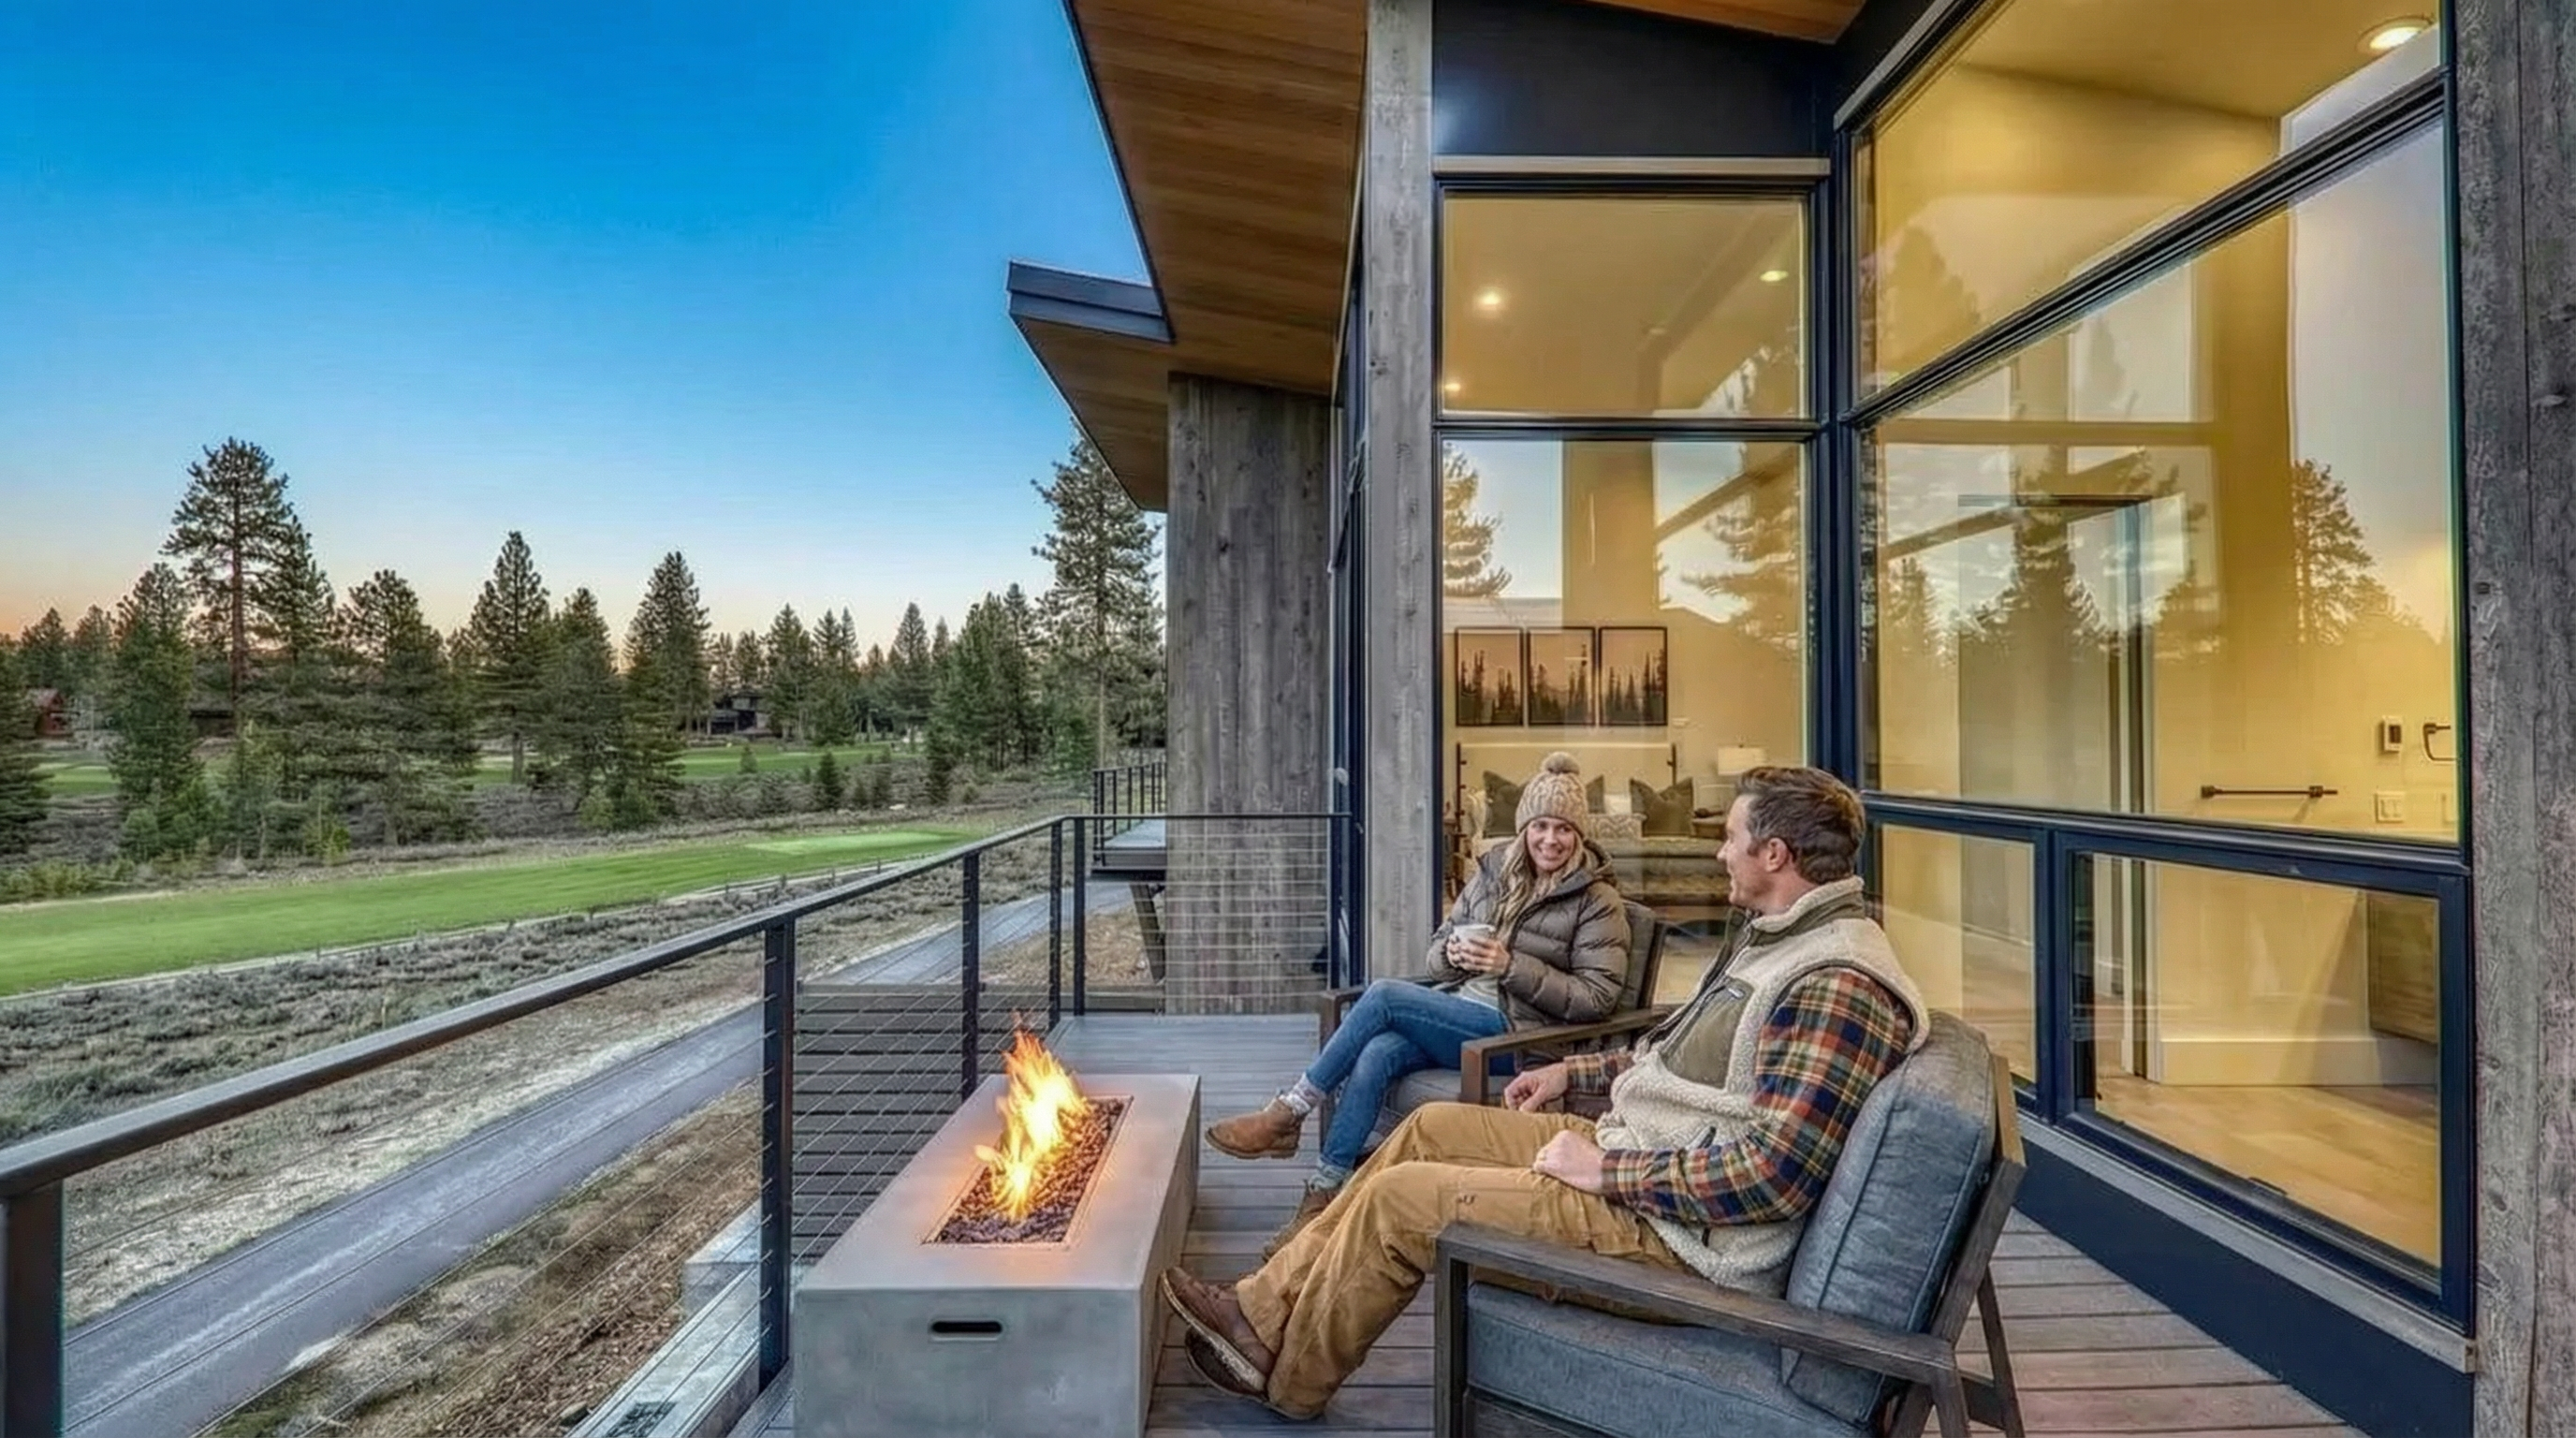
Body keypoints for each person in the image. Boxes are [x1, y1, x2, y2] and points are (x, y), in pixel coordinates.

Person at [1161, 765, 1929, 1421]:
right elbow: (1672, 1055)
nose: (1719, 851)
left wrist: (1605, 1173)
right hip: (1640, 1152)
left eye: (1730, 838)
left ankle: (1292, 1383)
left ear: (1775, 853)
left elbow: (1773, 1174)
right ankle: (1260, 1310)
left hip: (1676, 1233)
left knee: (1401, 1200)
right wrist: (1574, 1075)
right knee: (1428, 1126)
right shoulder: (1776, 939)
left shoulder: (1834, 982)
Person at [1203, 751, 1632, 1256]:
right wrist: (1451, 955)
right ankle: (1325, 1192)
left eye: (1564, 829)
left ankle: (1289, 1111)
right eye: (1540, 825)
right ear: (1523, 828)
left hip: (1519, 1037)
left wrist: (1510, 965)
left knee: (1384, 995)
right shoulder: (1495, 873)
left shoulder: (1597, 901)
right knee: (1378, 1051)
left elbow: (1597, 998)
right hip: (1460, 1013)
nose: (1550, 839)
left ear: (1580, 835)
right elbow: (1436, 953)